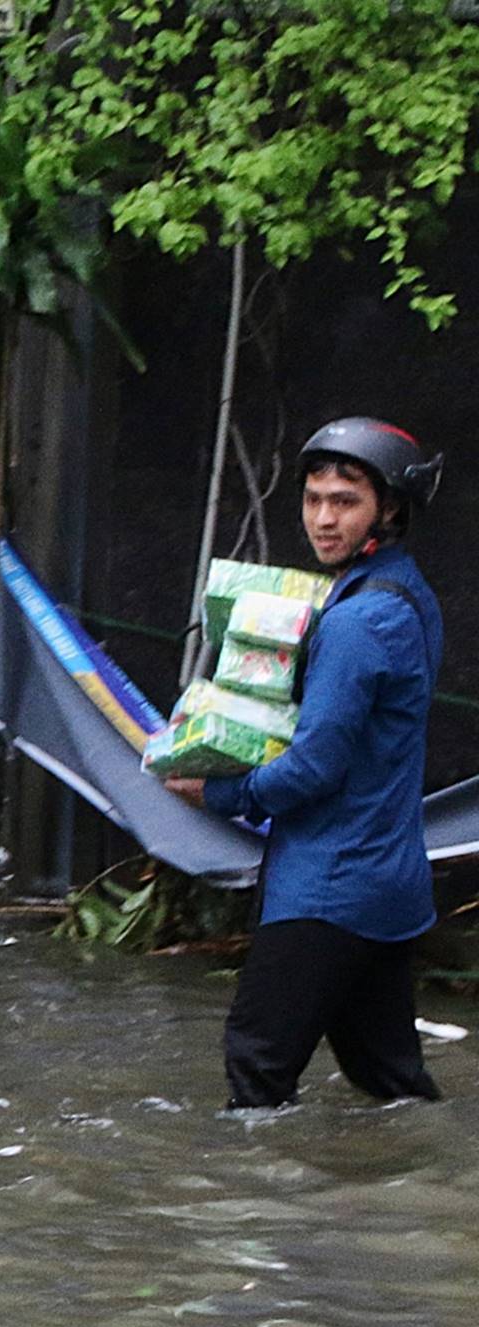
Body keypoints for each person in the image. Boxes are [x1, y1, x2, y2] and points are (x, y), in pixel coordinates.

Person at [165, 416, 446, 1109]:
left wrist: (215, 791)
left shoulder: (354, 621)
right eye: (314, 499)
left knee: (256, 1066)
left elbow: (311, 770)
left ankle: (248, 1213)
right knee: (392, 1085)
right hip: (388, 884)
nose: (323, 519)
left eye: (344, 502)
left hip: (328, 888)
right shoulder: (406, 594)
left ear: (391, 509)